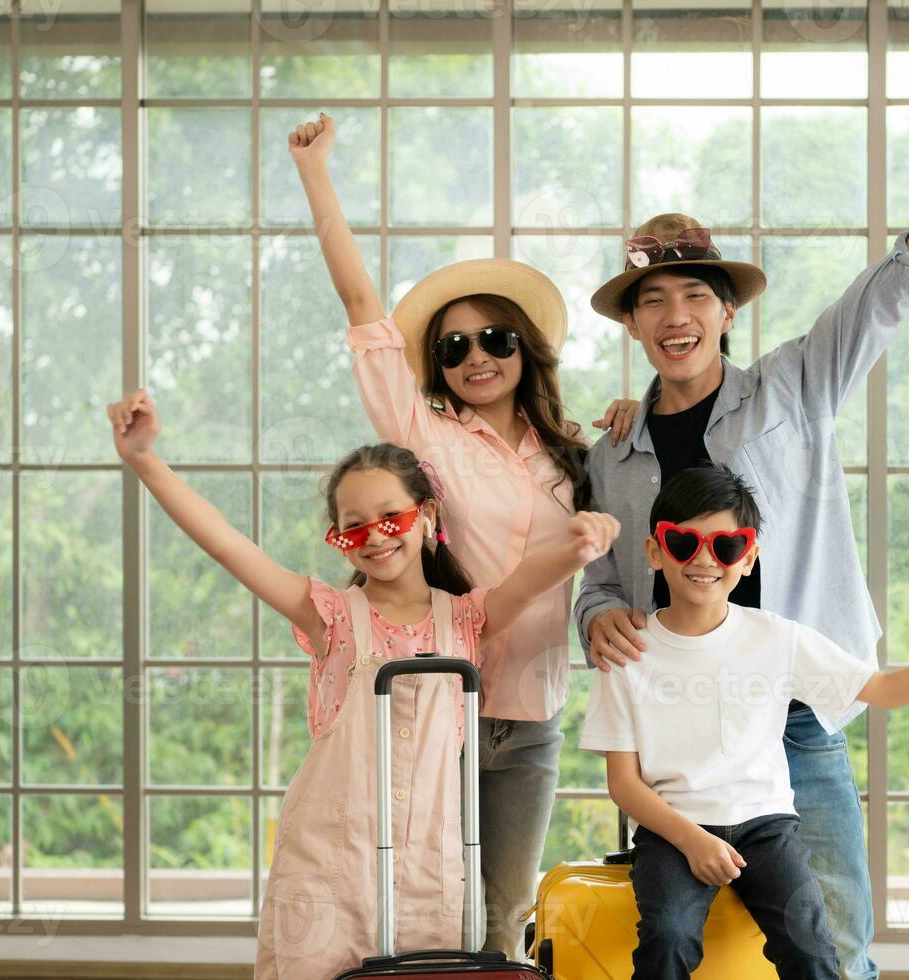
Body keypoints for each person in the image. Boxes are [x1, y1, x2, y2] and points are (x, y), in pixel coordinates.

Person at [574, 100, 909, 977]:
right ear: (633, 325)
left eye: (694, 296)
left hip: (796, 715)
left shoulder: (795, 385)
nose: (674, 315)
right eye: (653, 301)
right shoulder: (613, 451)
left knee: (833, 941)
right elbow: (601, 575)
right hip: (675, 746)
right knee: (680, 945)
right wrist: (596, 614)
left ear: (725, 313)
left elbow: (893, 284)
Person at [105, 388, 619, 979]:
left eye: (391, 518)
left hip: (430, 866)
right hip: (329, 863)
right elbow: (227, 545)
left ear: (426, 518)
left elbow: (527, 581)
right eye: (354, 528)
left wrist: (577, 547)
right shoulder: (328, 614)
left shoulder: (466, 618)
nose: (375, 536)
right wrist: (145, 458)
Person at [288, 112, 637, 956]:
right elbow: (363, 307)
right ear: (436, 365)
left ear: (528, 347)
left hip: (532, 721)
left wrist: (640, 415)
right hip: (433, 707)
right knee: (420, 908)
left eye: (495, 338)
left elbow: (637, 522)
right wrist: (316, 174)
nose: (476, 356)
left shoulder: (578, 454)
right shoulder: (425, 437)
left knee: (504, 918)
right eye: (453, 346)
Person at [581, 465, 909, 979]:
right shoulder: (626, 652)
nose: (704, 559)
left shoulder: (777, 639)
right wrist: (692, 841)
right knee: (668, 937)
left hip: (767, 829)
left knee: (813, 945)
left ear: (748, 559)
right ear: (655, 550)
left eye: (726, 546)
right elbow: (623, 783)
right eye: (684, 542)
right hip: (672, 831)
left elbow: (881, 689)